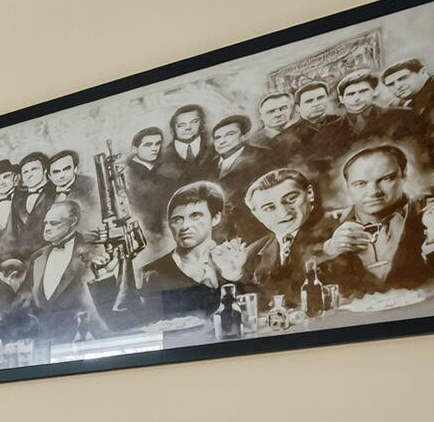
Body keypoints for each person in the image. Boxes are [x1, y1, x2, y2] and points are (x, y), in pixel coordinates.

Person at [318, 145, 434, 295]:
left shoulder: (433, 214)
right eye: (360, 183)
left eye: (386, 179)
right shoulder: (324, 230)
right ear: (347, 187)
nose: (373, 192)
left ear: (404, 175)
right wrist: (328, 253)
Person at [218, 168, 338, 299]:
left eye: (291, 199)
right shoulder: (251, 253)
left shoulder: (335, 232)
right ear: (256, 214)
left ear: (309, 193)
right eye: (269, 208)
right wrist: (235, 276)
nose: (283, 213)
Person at [137, 181, 228, 323]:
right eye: (177, 220)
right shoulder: (151, 274)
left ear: (215, 218)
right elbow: (137, 326)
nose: (185, 226)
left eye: (195, 216)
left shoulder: (235, 263)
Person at [17, 199, 108, 340]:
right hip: (45, 341)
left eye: (54, 223)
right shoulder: (37, 257)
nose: (46, 228)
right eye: (46, 223)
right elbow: (23, 299)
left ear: (72, 222)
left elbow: (107, 299)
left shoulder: (95, 250)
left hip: (85, 339)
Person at [210, 114, 268, 210]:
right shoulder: (210, 163)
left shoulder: (263, 157)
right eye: (218, 137)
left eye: (230, 134)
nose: (222, 141)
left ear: (244, 136)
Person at [124, 126, 172, 240]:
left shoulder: (156, 170)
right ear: (135, 149)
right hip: (147, 234)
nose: (155, 148)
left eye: (157, 143)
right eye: (148, 145)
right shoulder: (131, 174)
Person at [160, 104, 216, 184]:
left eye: (194, 122)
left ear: (202, 123)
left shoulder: (214, 149)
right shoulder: (162, 156)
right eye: (181, 125)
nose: (188, 128)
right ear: (172, 130)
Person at [12, 152, 55, 252]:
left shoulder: (56, 192)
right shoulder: (17, 200)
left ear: (45, 171)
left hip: (51, 251)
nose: (30, 175)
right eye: (25, 172)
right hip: (25, 255)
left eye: (34, 169)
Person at [251, 89, 310, 158]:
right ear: (260, 116)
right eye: (271, 111)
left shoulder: (305, 133)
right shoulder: (253, 143)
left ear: (291, 109)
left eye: (283, 108)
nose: (278, 114)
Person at [47, 149, 97, 224]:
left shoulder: (89, 185)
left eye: (66, 169)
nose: (62, 175)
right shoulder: (45, 193)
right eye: (56, 172)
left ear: (75, 169)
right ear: (50, 176)